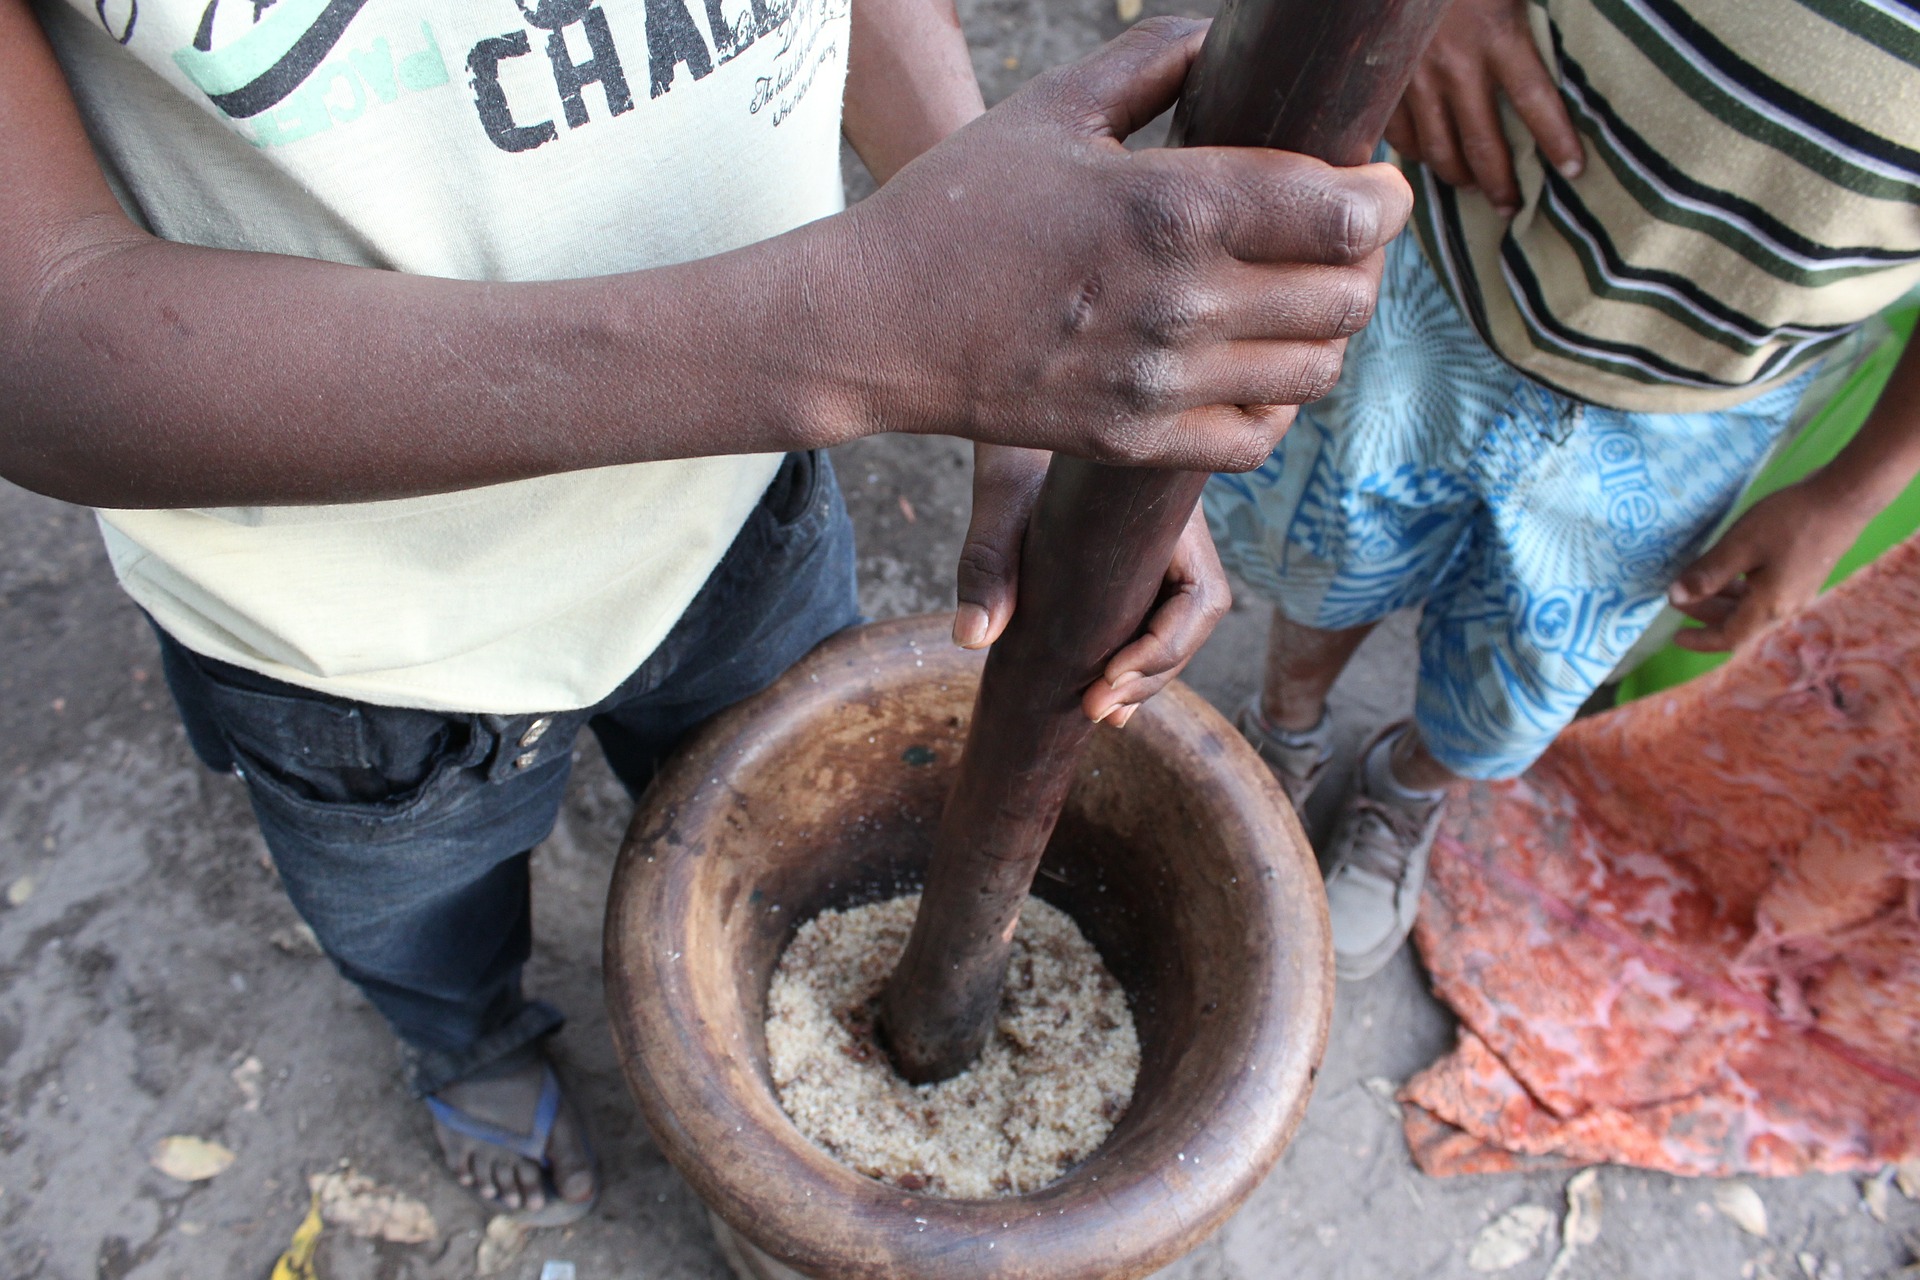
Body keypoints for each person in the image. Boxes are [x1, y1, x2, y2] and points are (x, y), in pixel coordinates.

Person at [0, 0, 1408, 1222]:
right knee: (419, 912)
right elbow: (43, 342)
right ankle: (472, 1040)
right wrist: (842, 334)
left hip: (738, 509)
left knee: (766, 822)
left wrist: (1047, 366)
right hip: (352, 624)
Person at [1207, 0, 1920, 982]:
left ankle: (1403, 789)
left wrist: (1846, 494)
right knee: (1331, 550)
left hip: (1695, 411)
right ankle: (1281, 733)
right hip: (1449, 261)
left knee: (1529, 663)